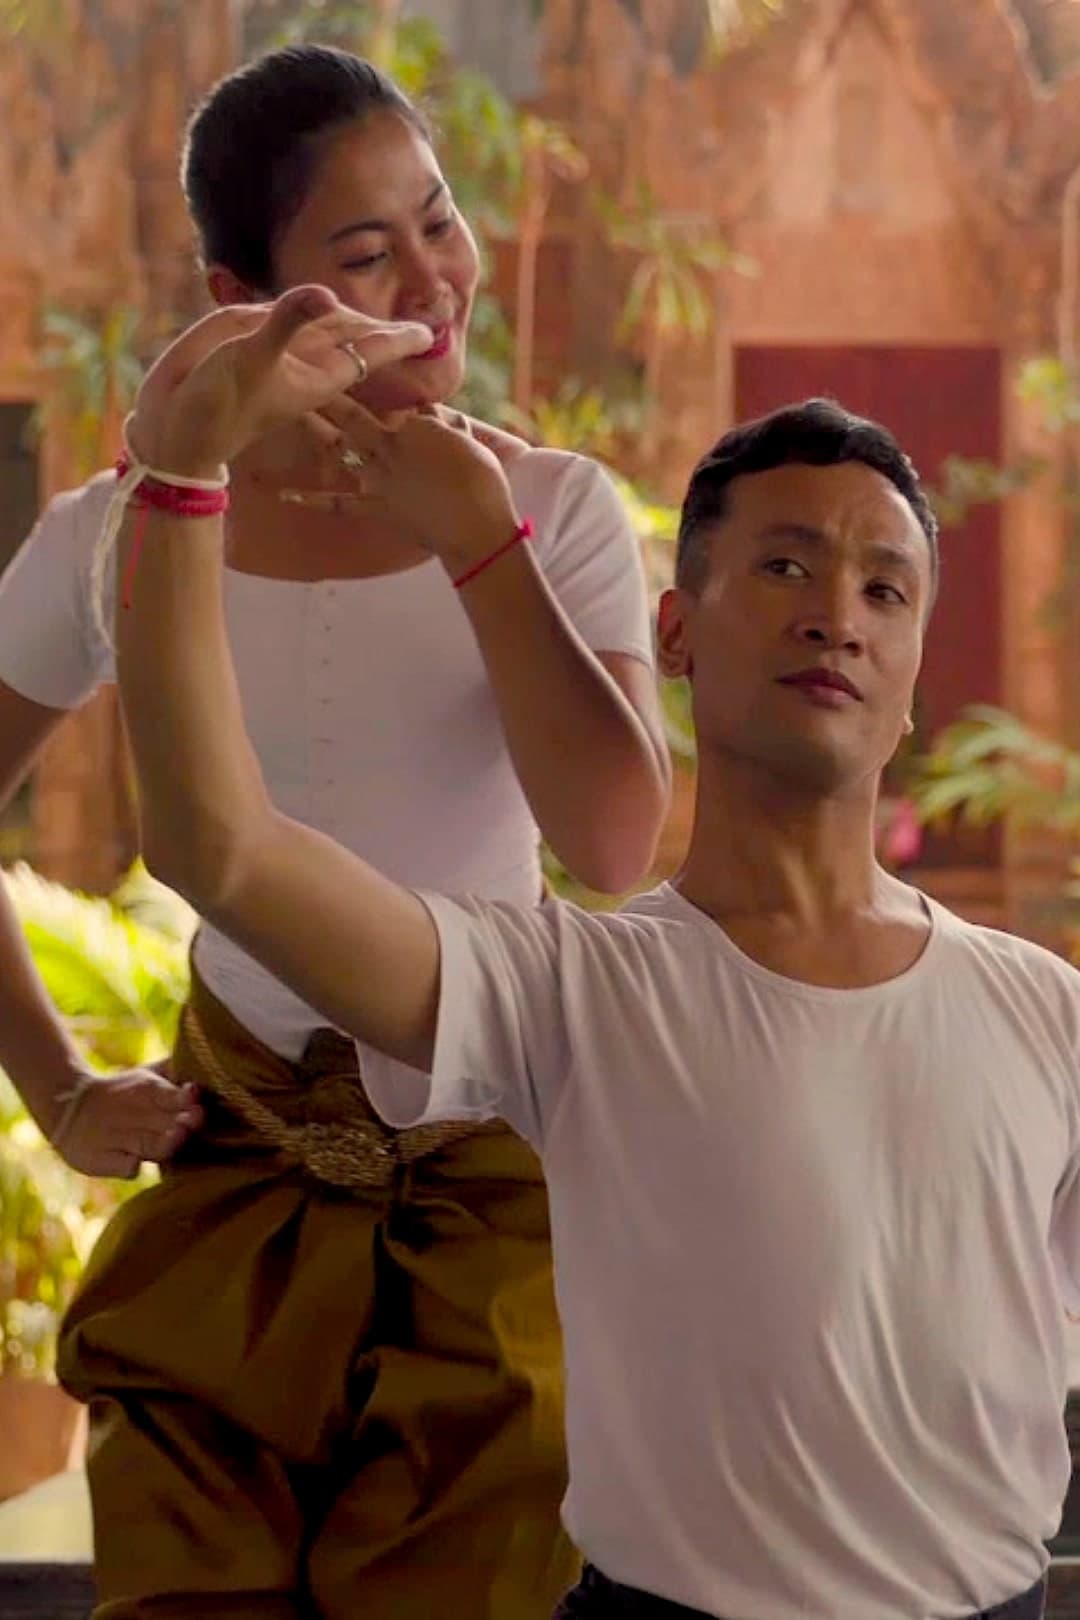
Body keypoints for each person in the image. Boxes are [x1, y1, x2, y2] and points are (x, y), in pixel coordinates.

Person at [111, 285, 1079, 1620]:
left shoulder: (1044, 1013)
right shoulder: (574, 993)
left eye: (884, 588)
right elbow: (218, 846)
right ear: (675, 633)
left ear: (912, 678)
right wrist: (178, 476)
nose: (836, 616)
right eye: (786, 567)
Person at [0, 45, 670, 1620]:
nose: (434, 283)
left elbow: (614, 843)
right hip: (228, 1179)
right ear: (242, 299)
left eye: (439, 221)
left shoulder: (556, 508)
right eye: (366, 255)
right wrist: (57, 1089)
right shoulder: (123, 531)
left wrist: (480, 542)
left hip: (494, 1193)